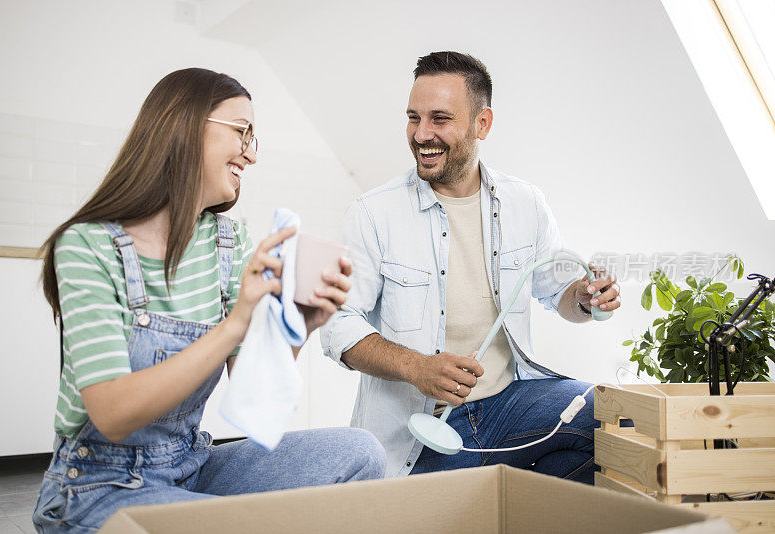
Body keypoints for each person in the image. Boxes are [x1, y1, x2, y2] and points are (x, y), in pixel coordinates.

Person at [33, 68, 385, 533]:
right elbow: (112, 414)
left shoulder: (227, 242)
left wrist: (299, 325)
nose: (250, 154)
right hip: (98, 485)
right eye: (242, 132)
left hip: (190, 465)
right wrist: (235, 324)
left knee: (362, 454)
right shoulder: (86, 245)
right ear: (185, 124)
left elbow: (254, 395)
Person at [321, 51, 621, 480]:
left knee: (610, 417)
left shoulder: (525, 203)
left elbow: (560, 294)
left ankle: (526, 509)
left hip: (509, 404)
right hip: (420, 432)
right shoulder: (372, 213)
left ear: (482, 124)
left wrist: (587, 298)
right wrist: (418, 368)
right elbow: (337, 326)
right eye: (413, 118)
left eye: (439, 119)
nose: (421, 134)